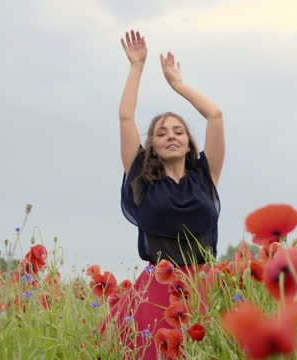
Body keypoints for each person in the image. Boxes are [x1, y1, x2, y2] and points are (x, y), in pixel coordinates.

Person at [101, 30, 225, 359]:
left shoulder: (205, 176)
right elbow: (126, 117)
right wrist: (137, 66)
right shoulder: (142, 179)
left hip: (206, 287)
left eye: (178, 131)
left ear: (188, 142)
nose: (171, 136)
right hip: (156, 291)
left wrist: (178, 85)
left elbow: (215, 115)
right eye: (161, 132)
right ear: (152, 145)